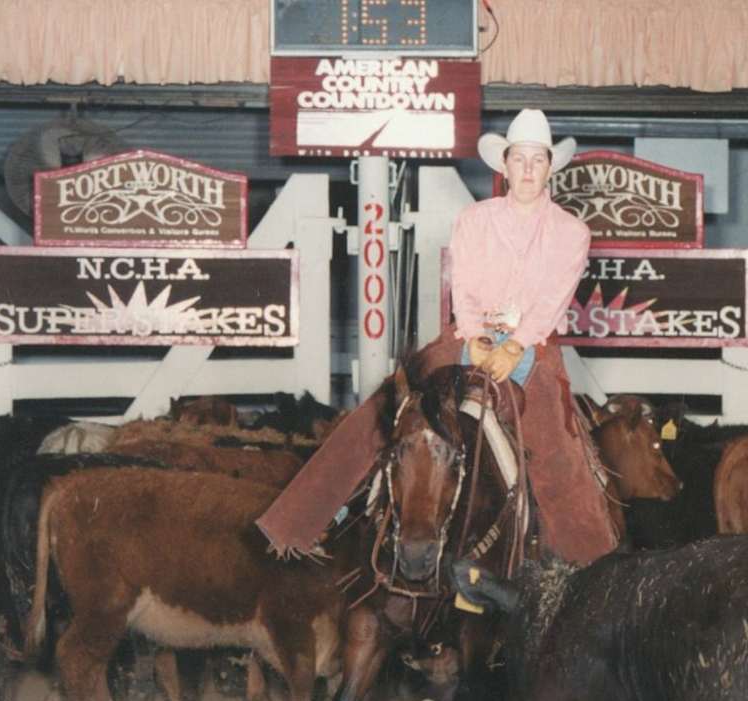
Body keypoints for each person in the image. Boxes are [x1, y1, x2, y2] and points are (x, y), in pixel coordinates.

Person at [256, 109, 618, 565]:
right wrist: (474, 338)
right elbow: (463, 287)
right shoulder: (473, 219)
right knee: (385, 405)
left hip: (533, 342)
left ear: (550, 168)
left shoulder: (571, 231)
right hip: (469, 331)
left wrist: (515, 345)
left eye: (537, 160)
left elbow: (553, 298)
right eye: (519, 159)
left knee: (557, 443)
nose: (527, 170)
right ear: (503, 165)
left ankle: (591, 566)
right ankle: (300, 525)